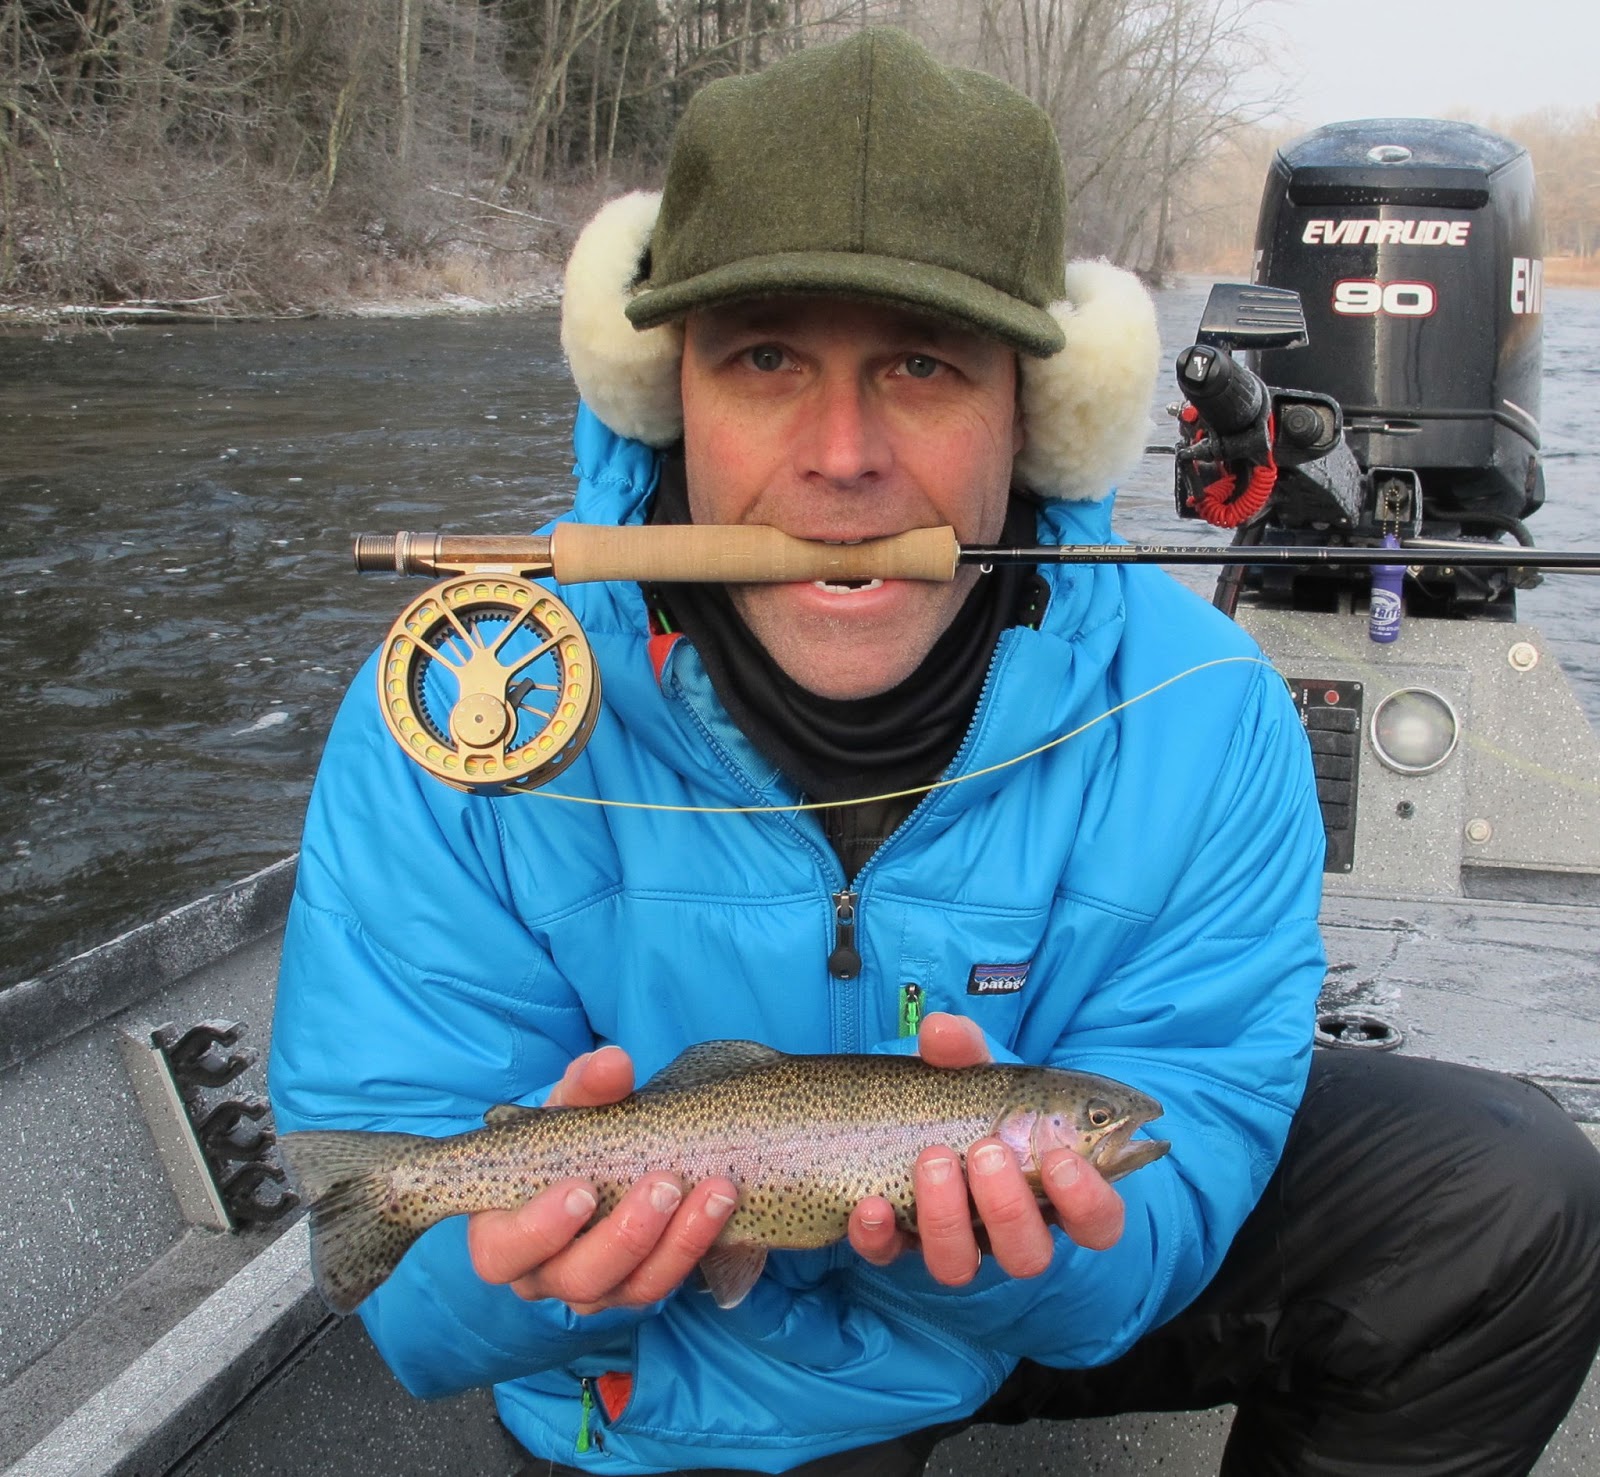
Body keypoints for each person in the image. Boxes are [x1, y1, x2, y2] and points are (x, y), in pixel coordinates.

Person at [269, 27, 1600, 1477]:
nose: (843, 453)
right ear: (667, 395)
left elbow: (1190, 1131)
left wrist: (1031, 1261)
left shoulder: (1204, 710)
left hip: (1027, 1302)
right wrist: (508, 1266)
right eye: (766, 356)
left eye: (921, 362)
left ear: (1032, 411)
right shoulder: (472, 706)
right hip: (675, 1369)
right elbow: (402, 1304)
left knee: (1506, 1199)